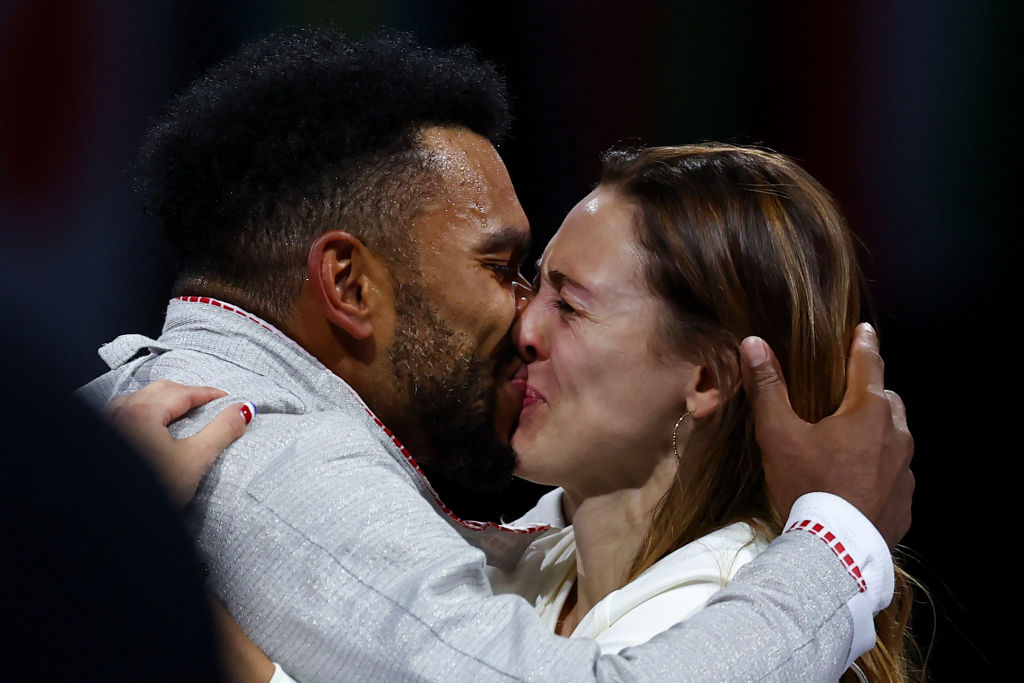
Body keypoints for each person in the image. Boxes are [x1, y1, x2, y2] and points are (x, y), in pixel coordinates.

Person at [78, 27, 912, 681]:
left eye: (566, 299)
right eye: (508, 270)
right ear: (349, 283)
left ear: (705, 376)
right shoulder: (277, 453)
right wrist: (838, 544)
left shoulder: (702, 584)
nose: (525, 323)